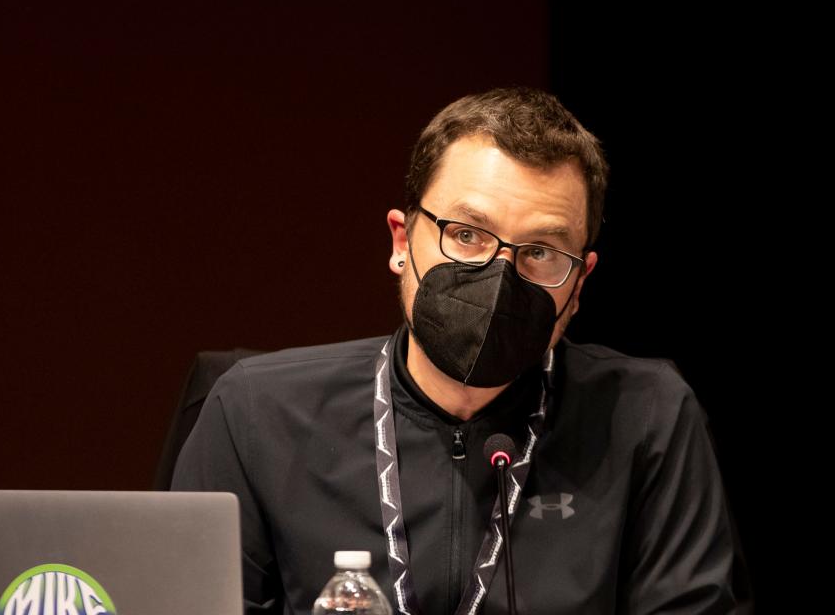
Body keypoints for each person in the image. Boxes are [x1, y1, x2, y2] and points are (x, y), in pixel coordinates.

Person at [171, 87, 753, 614]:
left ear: (579, 285)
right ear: (402, 240)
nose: (499, 276)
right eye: (468, 235)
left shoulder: (645, 416)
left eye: (542, 252)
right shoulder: (257, 412)